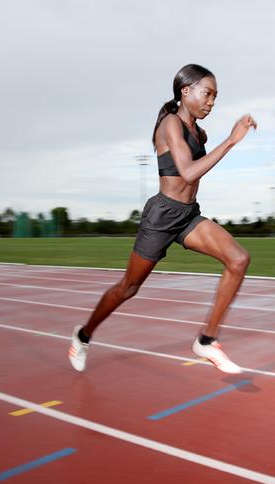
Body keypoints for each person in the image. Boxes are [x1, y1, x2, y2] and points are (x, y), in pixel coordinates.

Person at [68, 64, 257, 374]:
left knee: (238, 259)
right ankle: (84, 334)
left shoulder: (200, 132)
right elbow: (188, 171)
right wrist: (232, 140)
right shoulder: (171, 124)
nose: (211, 102)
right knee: (128, 288)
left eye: (215, 97)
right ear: (185, 91)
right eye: (207, 94)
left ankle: (207, 341)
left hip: (187, 215)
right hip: (162, 215)